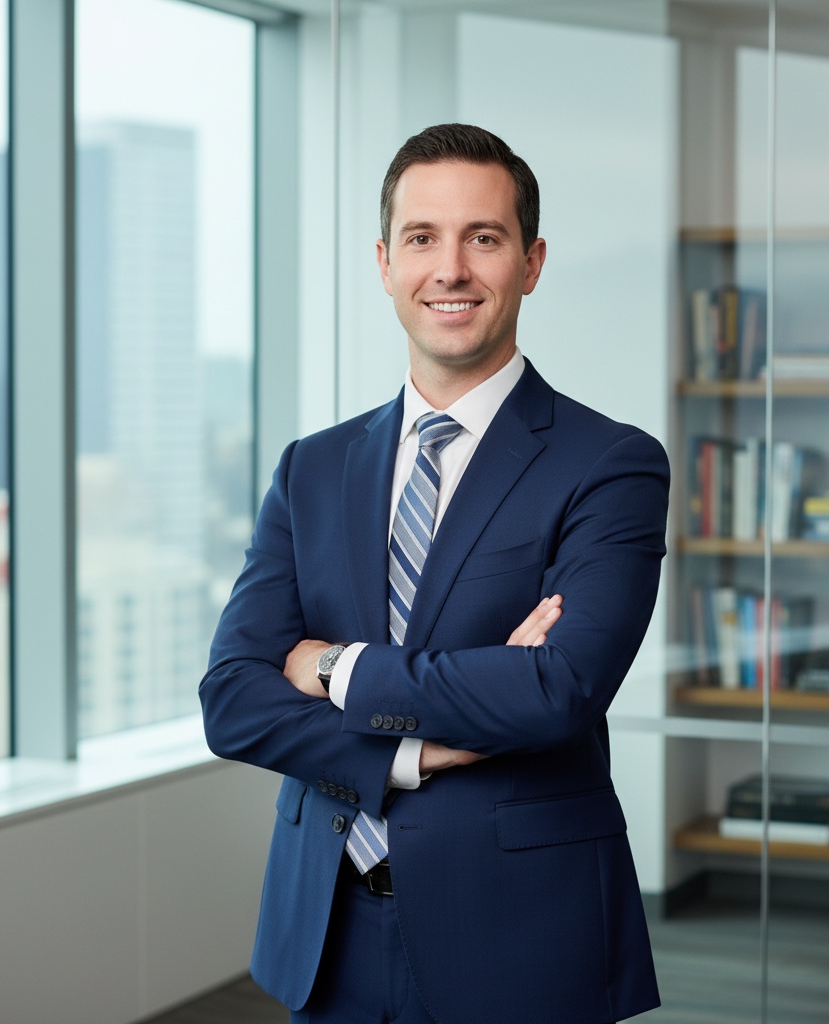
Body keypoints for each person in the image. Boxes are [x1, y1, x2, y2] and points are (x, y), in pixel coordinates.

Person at [200, 123, 669, 1024]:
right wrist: (413, 756)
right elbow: (232, 698)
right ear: (385, 263)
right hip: (327, 932)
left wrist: (334, 669)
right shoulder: (312, 467)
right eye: (423, 238)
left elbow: (558, 688)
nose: (449, 269)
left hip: (520, 933)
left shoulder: (609, 463)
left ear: (530, 263)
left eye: (482, 238)